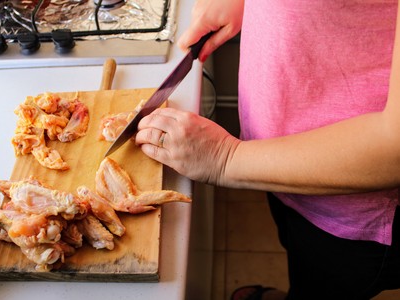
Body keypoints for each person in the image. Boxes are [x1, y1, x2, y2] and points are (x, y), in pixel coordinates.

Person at [135, 0, 400, 299]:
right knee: (298, 254)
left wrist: (224, 159)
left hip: (350, 208)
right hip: (277, 166)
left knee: (321, 285)